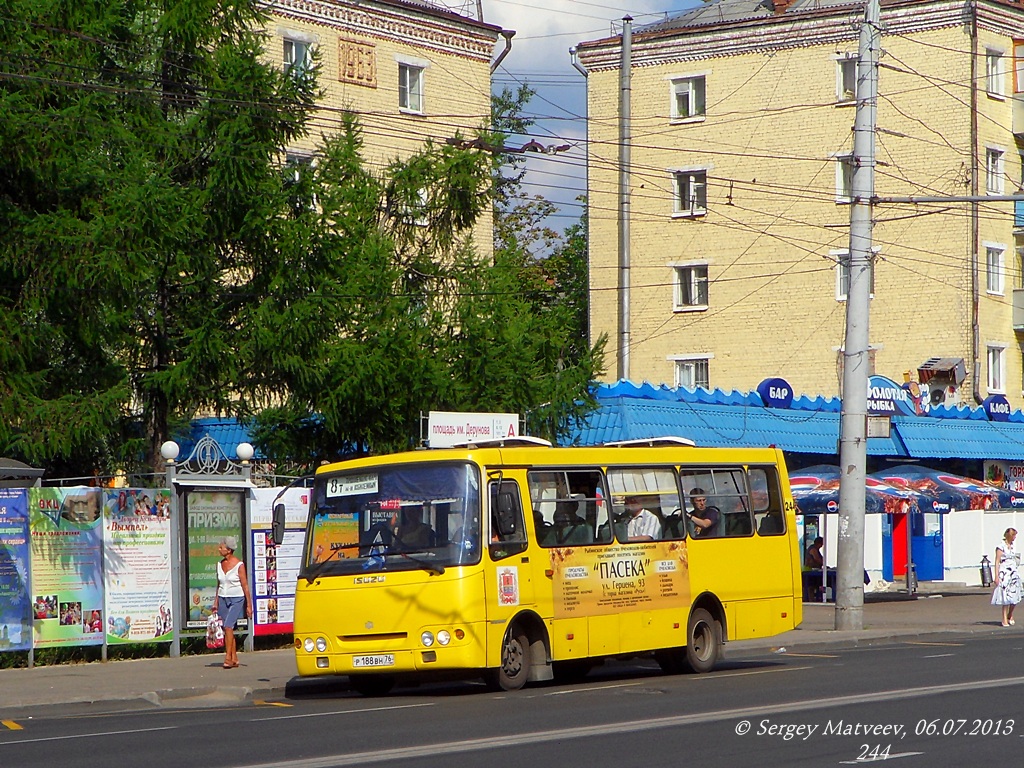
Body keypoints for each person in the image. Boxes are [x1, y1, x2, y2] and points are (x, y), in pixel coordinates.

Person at [216, 536, 253, 669]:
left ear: (229, 550)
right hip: (223, 598)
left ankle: (227, 658)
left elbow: (245, 585)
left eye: (221, 547)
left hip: (237, 598)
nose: (219, 549)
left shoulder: (239, 565)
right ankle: (235, 658)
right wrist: (216, 602)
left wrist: (249, 605)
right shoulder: (220, 564)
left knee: (228, 626)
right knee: (227, 629)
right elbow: (218, 584)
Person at [991, 527, 1021, 627]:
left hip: (1013, 572)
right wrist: (996, 576)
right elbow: (997, 561)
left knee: (1015, 596)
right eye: (1014, 535)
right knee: (1005, 596)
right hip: (1005, 573)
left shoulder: (1012, 546)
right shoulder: (1001, 547)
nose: (1015, 538)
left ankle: (1010, 614)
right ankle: (1004, 618)